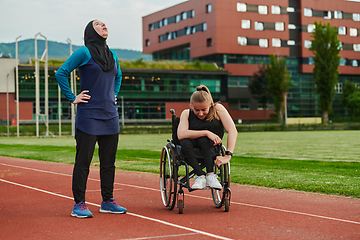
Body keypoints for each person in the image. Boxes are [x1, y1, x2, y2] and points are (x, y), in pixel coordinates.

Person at [55, 20, 127, 218]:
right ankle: (79, 204)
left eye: (105, 23)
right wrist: (73, 98)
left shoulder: (113, 55)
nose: (104, 25)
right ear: (90, 30)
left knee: (108, 163)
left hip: (110, 115)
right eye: (98, 24)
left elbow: (118, 76)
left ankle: (107, 201)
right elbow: (61, 73)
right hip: (89, 116)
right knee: (83, 162)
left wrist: (114, 94)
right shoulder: (84, 52)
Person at [177, 85, 238, 189]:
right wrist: (206, 132)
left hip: (210, 147)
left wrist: (228, 155)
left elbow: (232, 130)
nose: (200, 113)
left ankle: (210, 175)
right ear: (191, 105)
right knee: (186, 142)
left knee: (205, 140)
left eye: (204, 109)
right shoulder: (186, 113)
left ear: (210, 104)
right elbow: (181, 134)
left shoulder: (218, 109)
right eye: (196, 110)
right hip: (190, 148)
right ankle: (200, 175)